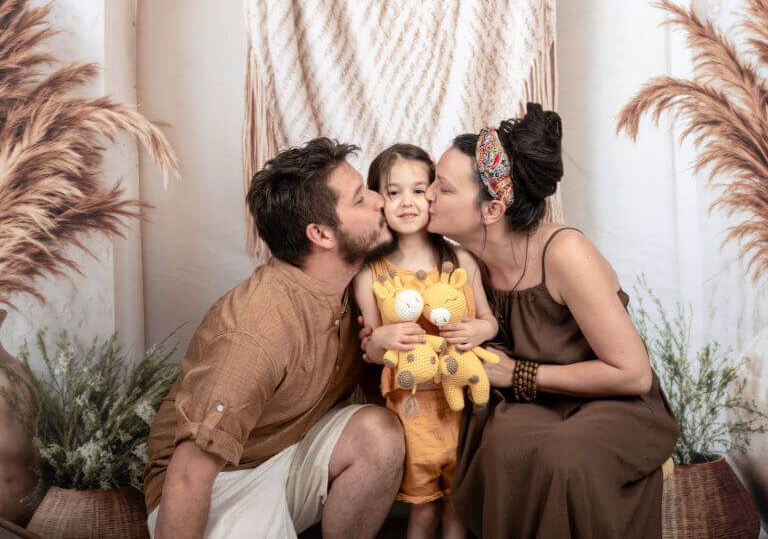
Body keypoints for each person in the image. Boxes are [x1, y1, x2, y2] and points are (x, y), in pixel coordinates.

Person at [422, 103, 679, 538]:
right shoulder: (463, 261)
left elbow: (632, 375)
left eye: (442, 189)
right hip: (533, 405)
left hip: (617, 406)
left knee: (563, 459)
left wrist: (517, 373)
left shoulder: (564, 253)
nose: (426, 195)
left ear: (491, 211)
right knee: (504, 450)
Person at [143, 138, 406, 539]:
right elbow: (188, 476)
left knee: (380, 436)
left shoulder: (360, 285)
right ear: (321, 234)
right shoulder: (257, 329)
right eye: (359, 199)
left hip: (290, 446)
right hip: (221, 481)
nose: (379, 200)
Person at [354, 143, 498, 539]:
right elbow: (369, 351)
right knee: (424, 513)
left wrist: (480, 331)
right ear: (377, 200)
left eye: (418, 190)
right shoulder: (370, 275)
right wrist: (381, 337)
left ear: (433, 194)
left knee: (458, 509)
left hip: (464, 405)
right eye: (393, 191)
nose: (407, 202)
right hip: (412, 410)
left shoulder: (461, 260)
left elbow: (490, 321)